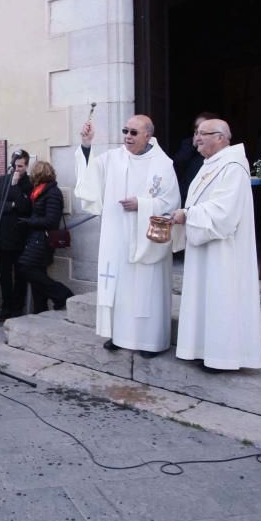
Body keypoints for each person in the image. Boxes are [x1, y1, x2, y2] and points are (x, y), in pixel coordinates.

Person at [75, 115, 180, 358]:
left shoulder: (163, 164)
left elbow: (171, 202)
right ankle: (120, 335)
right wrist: (87, 144)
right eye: (125, 131)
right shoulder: (113, 158)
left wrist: (141, 205)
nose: (128, 136)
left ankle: (150, 342)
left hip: (146, 240)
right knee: (119, 288)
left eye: (134, 132)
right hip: (117, 237)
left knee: (146, 290)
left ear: (148, 136)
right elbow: (90, 177)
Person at [171, 119, 261, 371]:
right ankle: (201, 349)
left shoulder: (233, 166)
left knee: (221, 299)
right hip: (205, 247)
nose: (197, 138)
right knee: (205, 298)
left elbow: (224, 212)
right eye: (196, 133)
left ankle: (222, 357)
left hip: (224, 250)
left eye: (203, 134)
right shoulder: (209, 165)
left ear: (221, 137)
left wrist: (188, 215)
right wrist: (186, 213)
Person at [17, 160, 72, 313]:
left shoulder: (52, 192)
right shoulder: (39, 191)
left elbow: (51, 220)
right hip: (35, 237)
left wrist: (29, 222)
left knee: (25, 267)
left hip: (43, 239)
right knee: (38, 273)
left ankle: (62, 293)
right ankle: (40, 310)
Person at [0, 149, 33, 320]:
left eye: (20, 166)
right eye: (14, 165)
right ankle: (6, 306)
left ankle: (17, 308)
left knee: (20, 275)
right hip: (1, 236)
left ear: (27, 166)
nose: (17, 169)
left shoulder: (28, 183)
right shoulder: (1, 181)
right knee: (4, 275)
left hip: (19, 237)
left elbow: (25, 207)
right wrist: (10, 205)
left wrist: (14, 187)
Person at [173, 112, 218, 205]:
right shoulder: (188, 144)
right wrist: (193, 147)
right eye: (197, 127)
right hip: (186, 195)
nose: (199, 130)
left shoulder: (217, 147)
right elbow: (177, 165)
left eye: (203, 128)